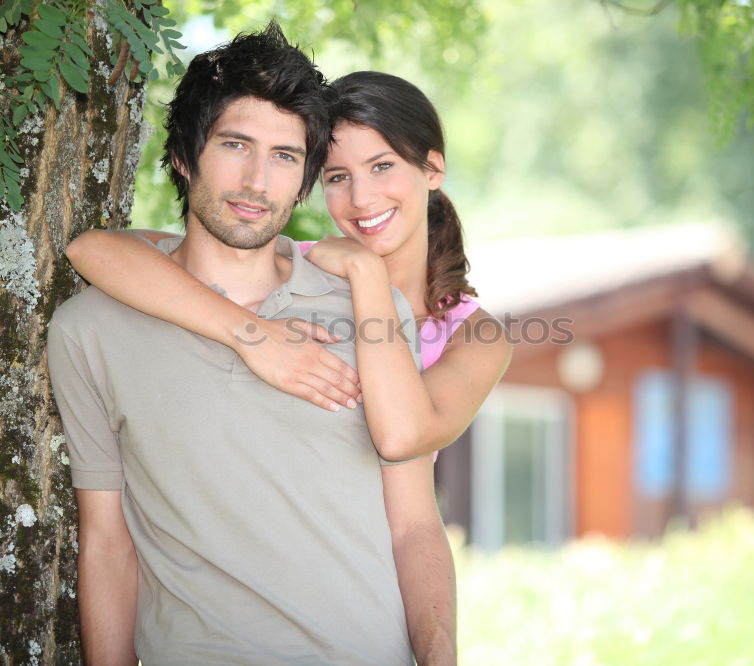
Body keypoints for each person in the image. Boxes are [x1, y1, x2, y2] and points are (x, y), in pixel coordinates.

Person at [48, 23, 457, 665]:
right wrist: (253, 336)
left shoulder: (369, 310)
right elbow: (107, 544)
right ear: (185, 156)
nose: (257, 180)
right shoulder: (91, 330)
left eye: (286, 157)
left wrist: (439, 658)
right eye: (235, 144)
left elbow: (414, 526)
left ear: (304, 182)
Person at [65, 71, 513, 465]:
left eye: (382, 166)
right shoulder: (284, 260)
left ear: (432, 169)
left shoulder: (477, 337)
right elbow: (97, 251)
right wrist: (252, 336)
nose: (361, 198)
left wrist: (367, 275)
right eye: (337, 177)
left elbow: (402, 438)